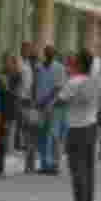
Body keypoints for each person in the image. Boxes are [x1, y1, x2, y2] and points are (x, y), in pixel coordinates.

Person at [58, 48, 101, 201]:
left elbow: (60, 101)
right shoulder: (94, 82)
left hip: (77, 128)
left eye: (74, 59)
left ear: (79, 63)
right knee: (89, 168)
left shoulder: (74, 81)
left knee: (77, 168)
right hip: (91, 126)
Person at [35, 45, 67, 175]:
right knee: (42, 134)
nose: (48, 54)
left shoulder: (59, 67)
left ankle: (54, 164)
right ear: (44, 53)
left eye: (51, 52)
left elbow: (58, 87)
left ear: (54, 54)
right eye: (46, 52)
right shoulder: (39, 67)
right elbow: (36, 85)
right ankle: (44, 163)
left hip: (55, 106)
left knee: (53, 134)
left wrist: (46, 100)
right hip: (41, 105)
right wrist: (36, 101)